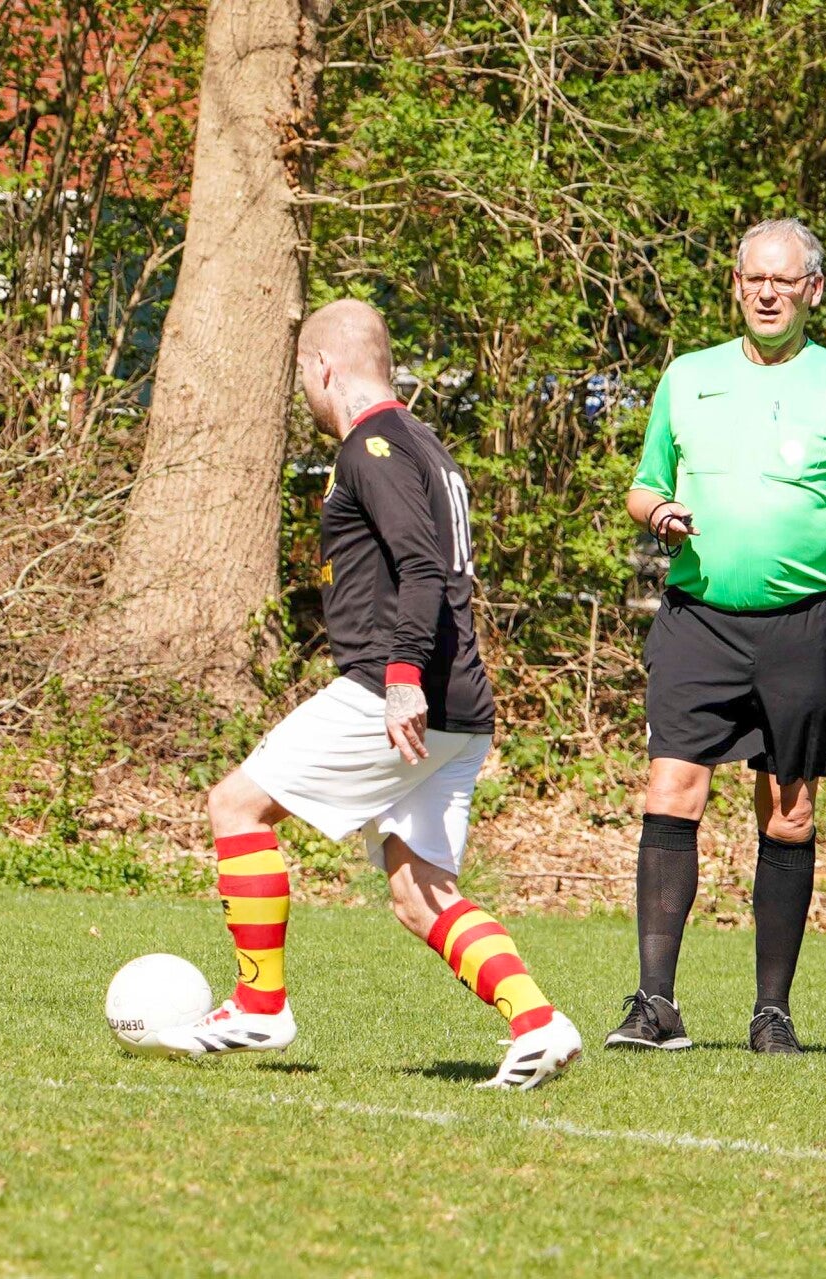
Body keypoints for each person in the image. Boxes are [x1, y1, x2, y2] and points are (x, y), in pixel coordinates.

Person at [141, 298, 581, 1089]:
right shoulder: (425, 445)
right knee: (419, 893)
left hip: (395, 690)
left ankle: (258, 1006)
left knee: (234, 806)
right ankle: (538, 1022)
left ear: (322, 367)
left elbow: (421, 567)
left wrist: (402, 677)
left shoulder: (370, 446)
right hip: (460, 704)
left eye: (301, 379)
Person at [607, 218, 826, 1055]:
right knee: (670, 790)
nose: (766, 293)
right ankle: (654, 1004)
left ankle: (772, 1013)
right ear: (734, 284)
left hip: (804, 626)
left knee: (789, 814)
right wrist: (658, 510)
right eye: (752, 279)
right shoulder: (688, 376)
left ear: (812, 291)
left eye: (782, 281)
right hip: (698, 620)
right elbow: (642, 484)